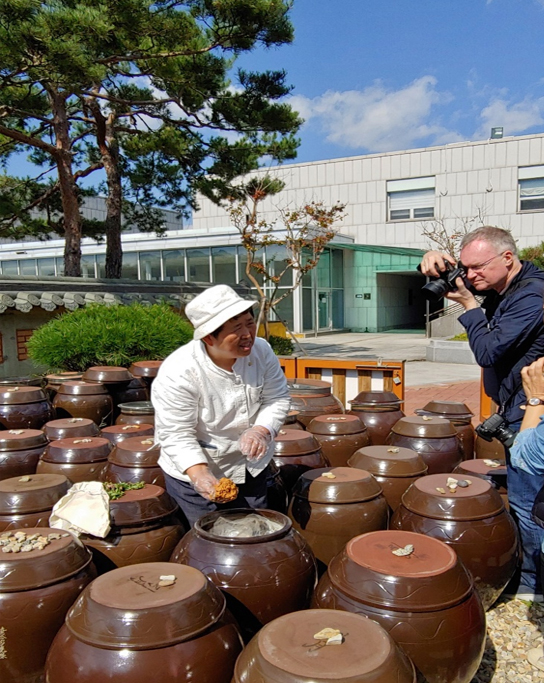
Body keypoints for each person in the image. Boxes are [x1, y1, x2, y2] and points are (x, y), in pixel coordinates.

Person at [420, 226, 544, 597]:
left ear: (508, 258)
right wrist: (428, 261)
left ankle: (532, 583)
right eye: (464, 267)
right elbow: (464, 280)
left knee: (529, 502)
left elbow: (488, 352)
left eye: (478, 268)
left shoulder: (533, 296)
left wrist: (470, 306)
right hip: (516, 408)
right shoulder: (501, 284)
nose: (470, 276)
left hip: (533, 412)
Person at [151, 284, 291, 527]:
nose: (248, 334)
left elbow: (276, 398)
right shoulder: (180, 371)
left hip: (250, 465)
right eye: (236, 329)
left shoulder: (262, 351)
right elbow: (176, 433)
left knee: (255, 532)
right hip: (197, 472)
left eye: (249, 323)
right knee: (208, 540)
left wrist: (261, 430)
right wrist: (199, 473)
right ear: (208, 337)